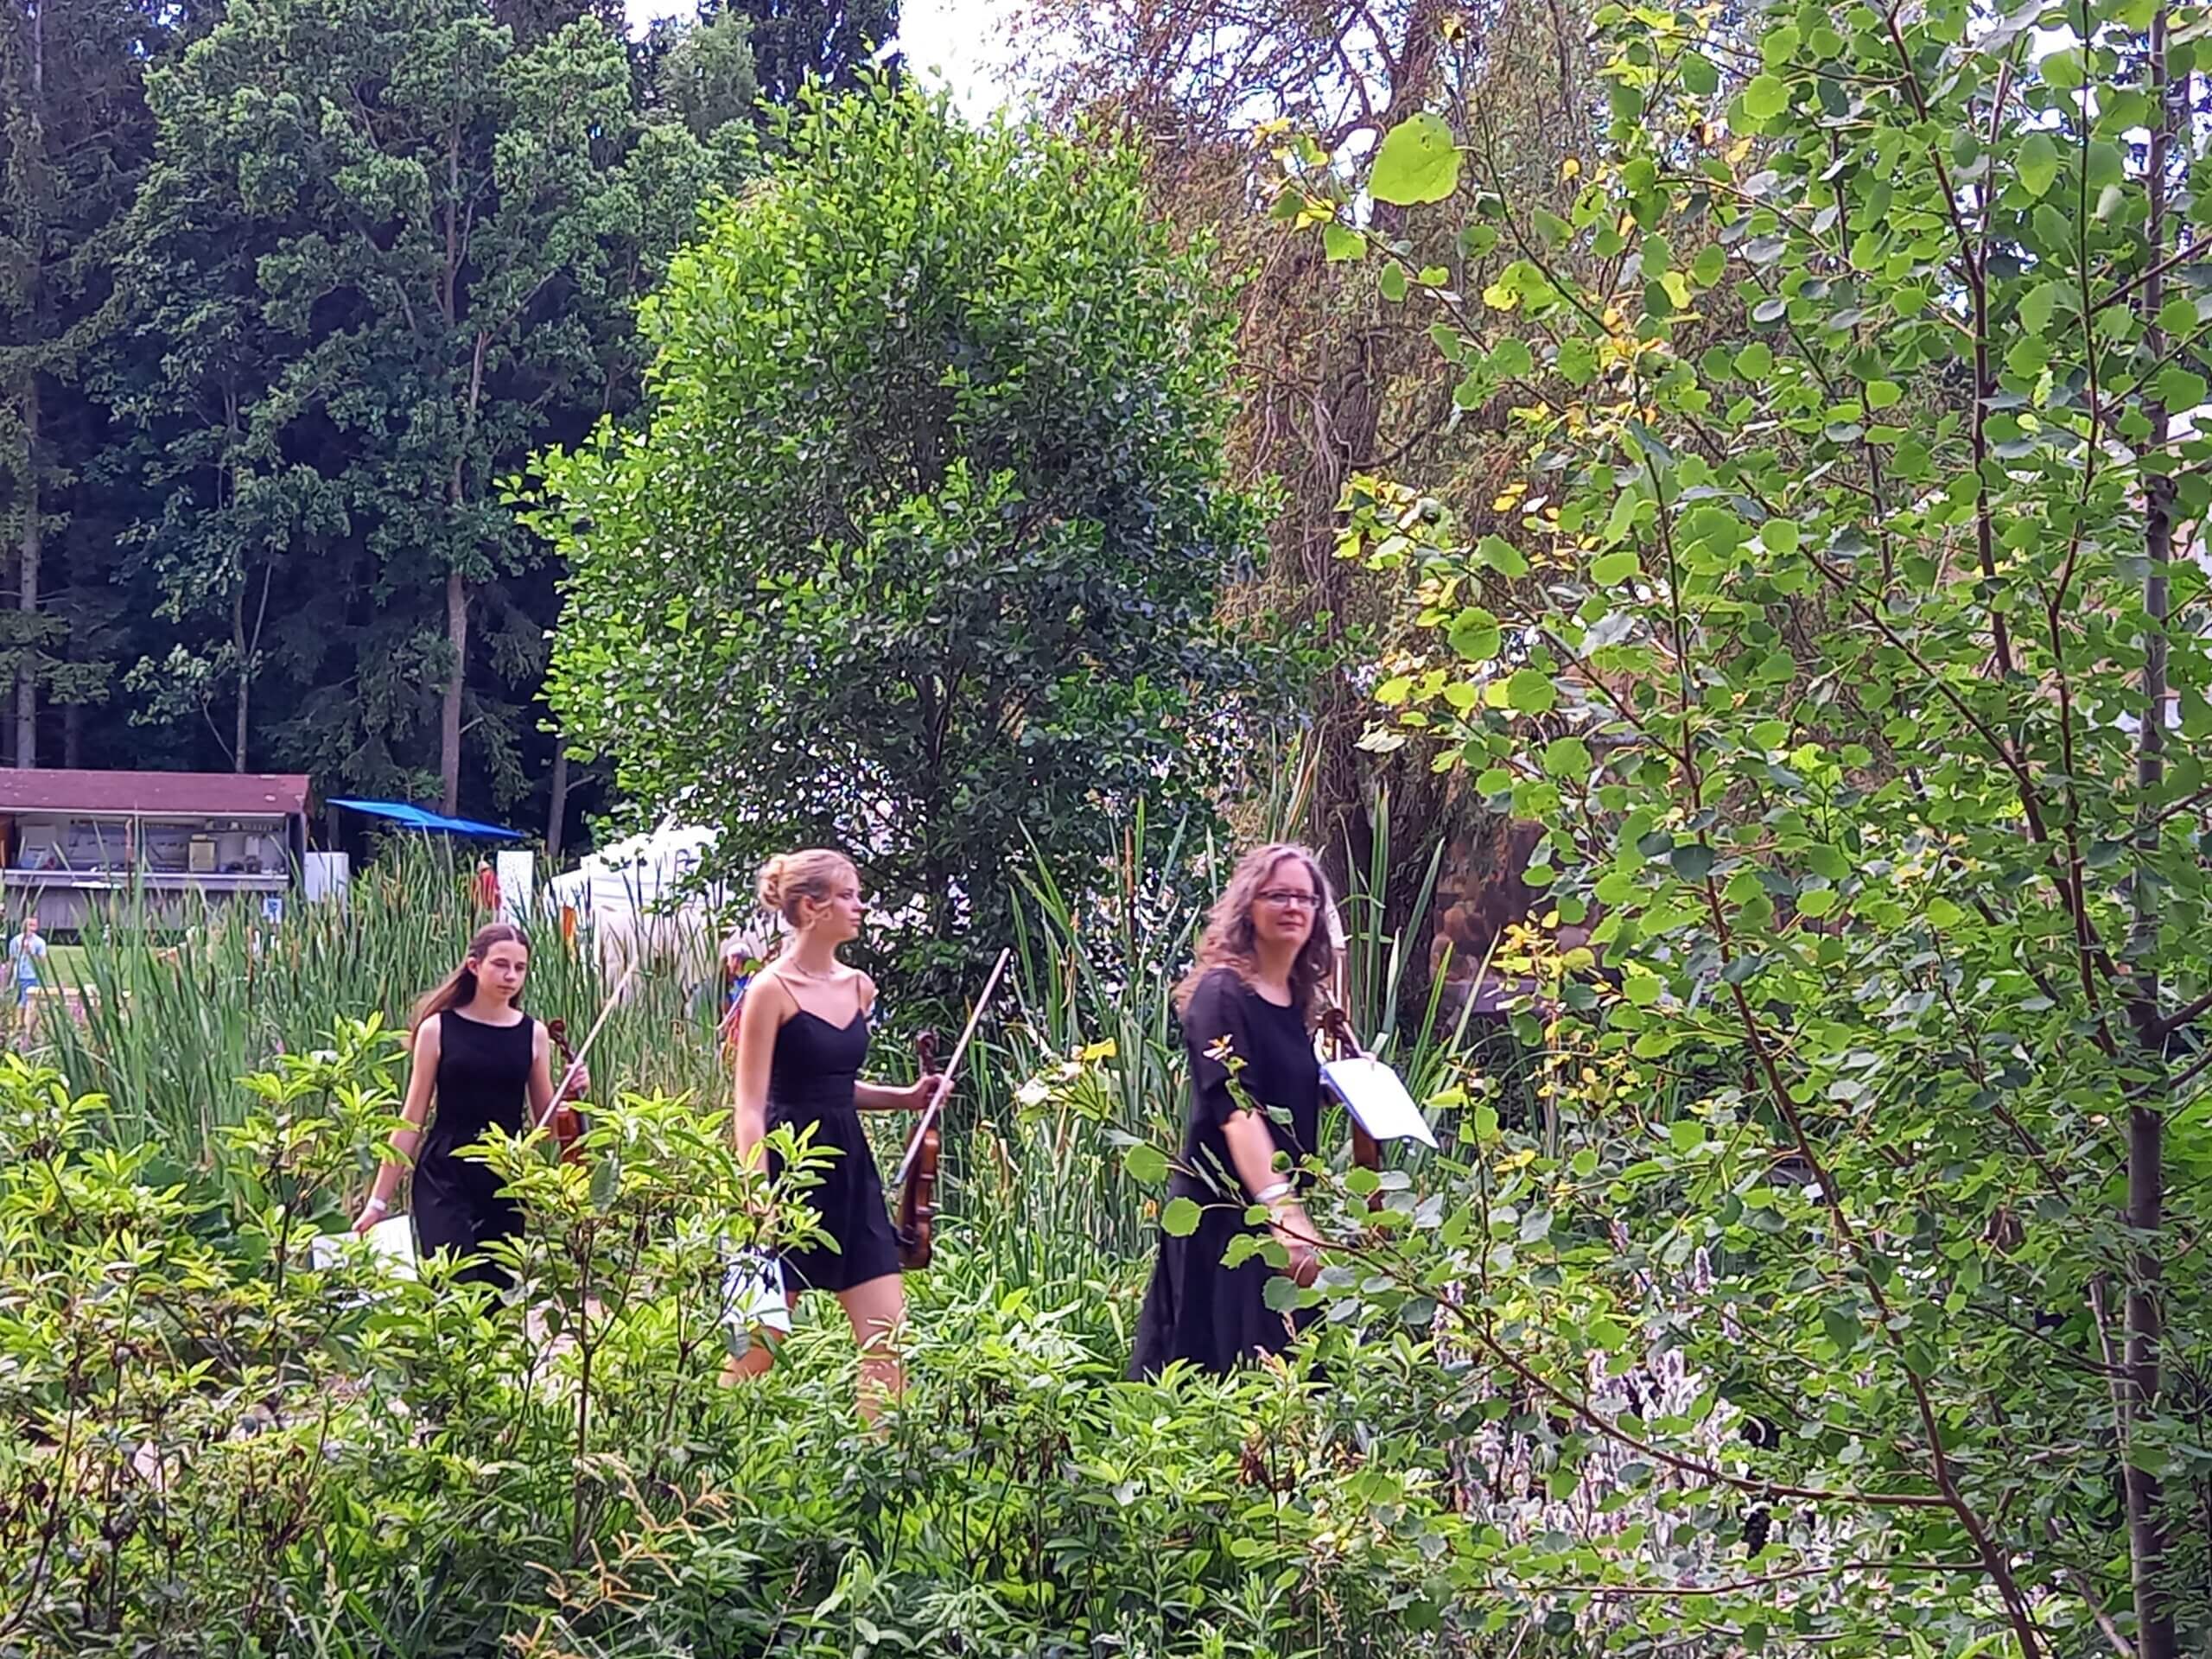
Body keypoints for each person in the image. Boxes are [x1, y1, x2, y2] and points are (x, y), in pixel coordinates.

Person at [722, 849, 945, 1419]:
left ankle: (875, 1482)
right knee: (759, 1343)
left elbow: (834, 1087)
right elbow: (749, 1104)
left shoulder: (859, 988)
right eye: (848, 895)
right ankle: (697, 1467)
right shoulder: (769, 990)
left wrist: (904, 1098)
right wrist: (757, 1195)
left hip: (850, 1170)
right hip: (786, 1173)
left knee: (887, 1337)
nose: (860, 905)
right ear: (810, 906)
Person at [1131, 843, 1334, 1380]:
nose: (1294, 907)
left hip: (1270, 1217)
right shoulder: (1222, 996)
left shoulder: (1296, 998)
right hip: (1224, 1222)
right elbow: (1237, 1110)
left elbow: (1280, 1097)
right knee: (1226, 1381)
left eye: (1305, 898)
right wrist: (1284, 1213)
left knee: (1293, 1383)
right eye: (1279, 895)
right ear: (1249, 906)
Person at [352, 923, 581, 1289]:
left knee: (496, 1294)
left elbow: (548, 1128)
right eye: (500, 964)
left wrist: (569, 1094)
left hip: (506, 1175)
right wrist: (378, 1202)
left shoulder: (534, 1034)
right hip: (445, 1173)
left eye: (519, 968)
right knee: (453, 1285)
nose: (510, 976)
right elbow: (411, 1120)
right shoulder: (437, 1030)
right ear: (474, 965)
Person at [7, 914, 44, 1036]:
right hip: (18, 975)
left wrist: (30, 953)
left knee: (26, 1000)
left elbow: (42, 962)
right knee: (17, 1000)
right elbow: (11, 959)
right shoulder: (16, 941)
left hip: (31, 976)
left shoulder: (39, 942)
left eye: (35, 925)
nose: (33, 928)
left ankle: (23, 1025)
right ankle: (18, 1023)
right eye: (30, 925)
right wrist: (8, 977)